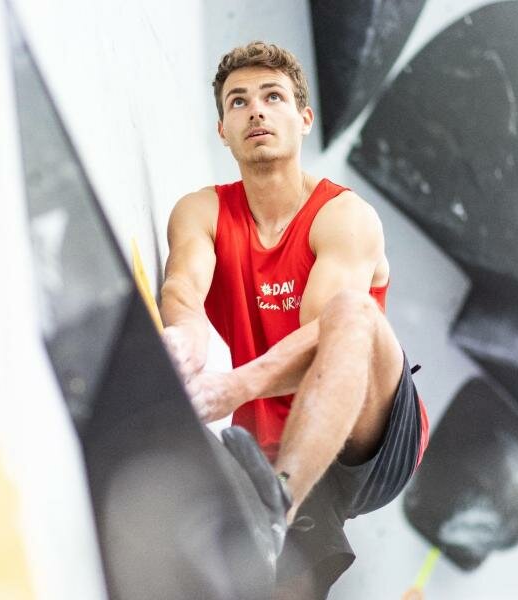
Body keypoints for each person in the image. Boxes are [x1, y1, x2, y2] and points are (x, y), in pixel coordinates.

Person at [160, 41, 429, 599]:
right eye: (238, 102)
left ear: (304, 119)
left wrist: (232, 386)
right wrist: (181, 340)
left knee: (350, 312)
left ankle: (275, 507)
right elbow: (184, 286)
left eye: (272, 96)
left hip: (370, 437)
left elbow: (322, 342)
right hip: (275, 444)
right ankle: (274, 517)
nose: (255, 110)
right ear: (222, 130)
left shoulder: (343, 216)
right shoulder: (201, 211)